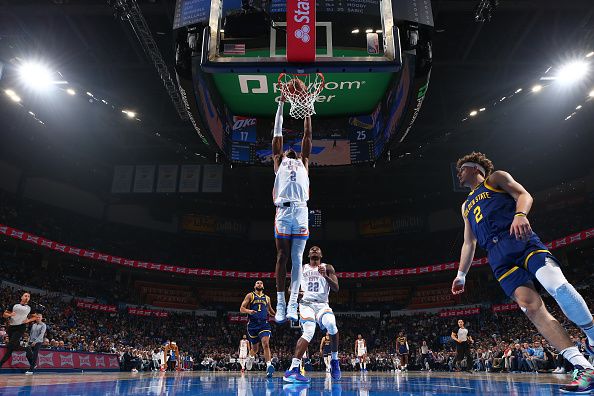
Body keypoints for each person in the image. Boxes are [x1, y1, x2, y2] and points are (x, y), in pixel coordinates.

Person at [452, 152, 594, 393]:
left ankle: (591, 337)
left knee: (557, 286)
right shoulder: (465, 205)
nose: (458, 173)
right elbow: (469, 242)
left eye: (462, 168)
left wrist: (520, 215)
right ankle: (583, 368)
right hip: (497, 256)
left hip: (518, 238)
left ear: (475, 168)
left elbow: (523, 194)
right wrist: (461, 274)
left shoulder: (495, 178)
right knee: (530, 307)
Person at [271, 91, 312, 323]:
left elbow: (307, 134)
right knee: (281, 256)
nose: (291, 150)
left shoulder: (303, 161)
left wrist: (306, 107)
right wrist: (280, 106)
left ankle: (293, 303)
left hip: (301, 210)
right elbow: (277, 133)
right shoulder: (279, 160)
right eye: (287, 149)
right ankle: (280, 302)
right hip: (284, 211)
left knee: (298, 259)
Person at [284, 246, 341, 383]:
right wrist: (295, 293)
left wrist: (325, 276)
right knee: (309, 331)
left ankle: (334, 360)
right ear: (308, 254)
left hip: (322, 305)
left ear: (321, 254)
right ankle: (293, 369)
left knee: (332, 325)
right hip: (306, 304)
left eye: (317, 249)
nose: (314, 249)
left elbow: (336, 288)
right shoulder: (302, 268)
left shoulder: (328, 267)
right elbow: (290, 288)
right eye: (312, 249)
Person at [240, 280, 276, 378]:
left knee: (265, 343)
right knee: (255, 349)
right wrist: (249, 311)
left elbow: (270, 310)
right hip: (252, 325)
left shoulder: (267, 298)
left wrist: (278, 315)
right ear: (254, 286)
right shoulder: (250, 295)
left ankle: (269, 366)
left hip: (264, 324)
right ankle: (251, 357)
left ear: (263, 286)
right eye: (257, 283)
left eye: (261, 283)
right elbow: (241, 308)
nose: (259, 284)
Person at [0, 292, 37, 371]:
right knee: (14, 346)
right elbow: (4, 314)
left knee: (10, 346)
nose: (27, 297)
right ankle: (27, 349)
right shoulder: (14, 305)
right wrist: (10, 315)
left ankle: (1, 363)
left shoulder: (30, 307)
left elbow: (35, 317)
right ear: (22, 297)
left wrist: (28, 320)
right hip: (11, 327)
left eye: (28, 296)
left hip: (21, 327)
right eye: (25, 296)